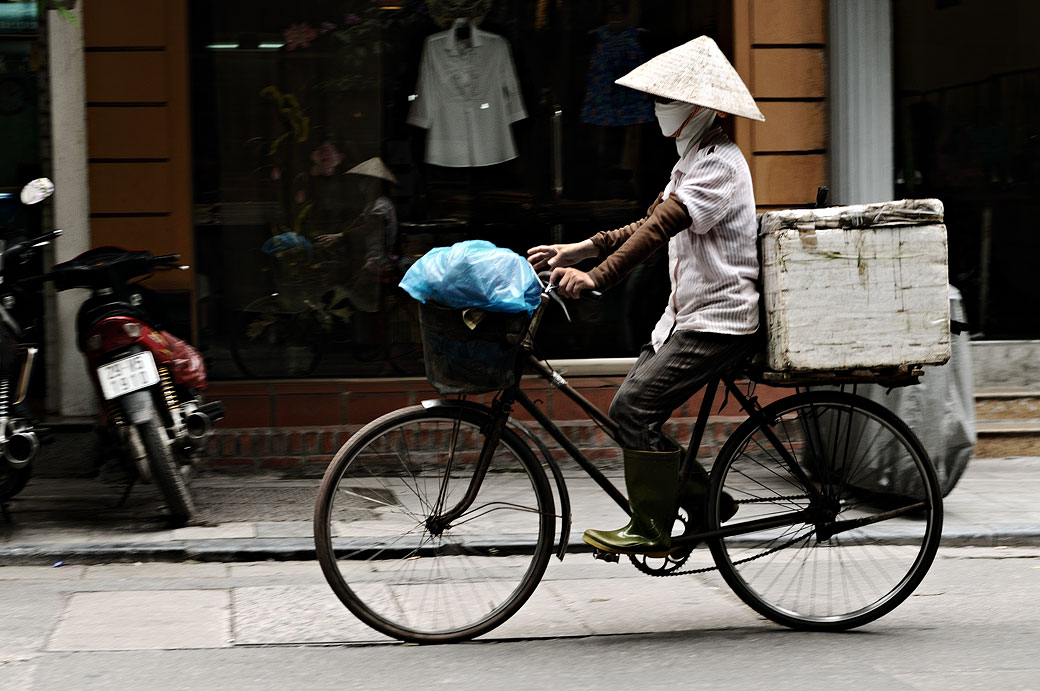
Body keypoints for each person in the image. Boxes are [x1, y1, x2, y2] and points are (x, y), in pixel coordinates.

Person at [527, 35, 766, 557]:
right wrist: (581, 249)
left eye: (667, 100)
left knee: (633, 407)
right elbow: (648, 221)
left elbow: (658, 230)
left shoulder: (719, 164)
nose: (658, 109)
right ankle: (706, 501)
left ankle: (652, 528)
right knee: (627, 411)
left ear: (699, 107)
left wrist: (596, 278)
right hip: (687, 317)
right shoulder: (692, 159)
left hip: (720, 320)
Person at [316, 157, 399, 314]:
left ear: (375, 183)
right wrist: (337, 235)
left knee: (359, 300)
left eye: (365, 182)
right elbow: (358, 221)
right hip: (369, 258)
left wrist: (341, 236)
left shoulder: (382, 204)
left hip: (378, 260)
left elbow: (369, 227)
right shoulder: (371, 203)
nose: (362, 186)